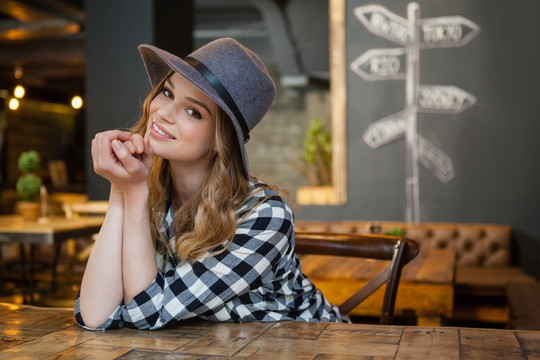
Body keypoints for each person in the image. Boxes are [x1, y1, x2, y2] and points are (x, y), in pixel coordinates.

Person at [75, 37, 349, 330]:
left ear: (221, 140)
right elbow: (95, 315)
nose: (164, 113)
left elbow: (147, 313)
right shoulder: (152, 195)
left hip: (314, 346)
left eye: (193, 111)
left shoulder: (265, 216)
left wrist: (133, 192)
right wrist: (120, 189)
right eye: (167, 93)